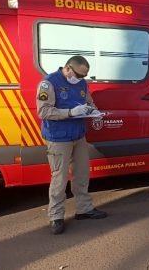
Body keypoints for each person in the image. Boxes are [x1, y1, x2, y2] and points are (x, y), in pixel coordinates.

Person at [36, 56, 107, 235]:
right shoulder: (49, 83)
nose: (81, 79)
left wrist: (94, 111)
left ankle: (84, 209)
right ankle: (56, 216)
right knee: (59, 179)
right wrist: (70, 112)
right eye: (79, 75)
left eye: (84, 76)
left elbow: (89, 102)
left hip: (78, 136)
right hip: (59, 138)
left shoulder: (81, 82)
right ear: (68, 68)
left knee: (82, 174)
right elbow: (43, 111)